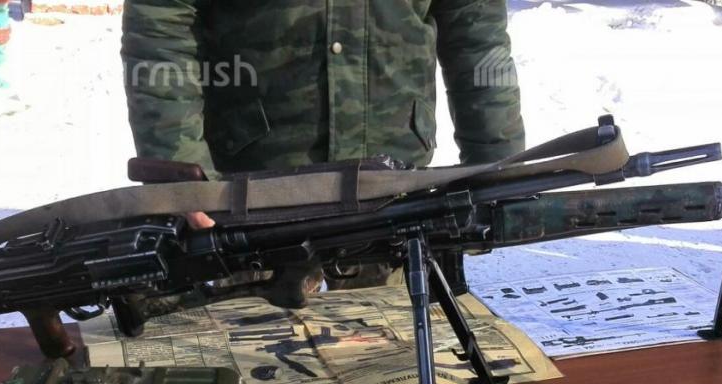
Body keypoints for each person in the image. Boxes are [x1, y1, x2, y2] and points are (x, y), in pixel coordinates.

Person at [121, 0, 526, 290]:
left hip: (395, 199)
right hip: (251, 204)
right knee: (256, 371)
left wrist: (497, 164)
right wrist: (178, 166)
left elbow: (476, 31)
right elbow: (160, 24)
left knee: (394, 370)